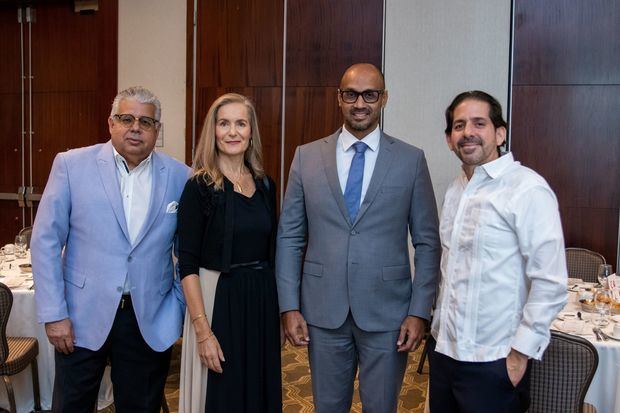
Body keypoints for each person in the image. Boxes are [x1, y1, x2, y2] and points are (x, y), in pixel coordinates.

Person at [276, 63, 441, 413]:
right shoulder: (306, 157)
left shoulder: (411, 160)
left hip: (390, 315)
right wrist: (289, 305)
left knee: (381, 407)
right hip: (323, 311)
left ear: (384, 99)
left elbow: (427, 242)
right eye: (351, 94)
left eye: (370, 94)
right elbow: (290, 236)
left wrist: (419, 311)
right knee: (328, 407)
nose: (360, 103)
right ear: (339, 98)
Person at [31, 86, 190, 413]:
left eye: (146, 122)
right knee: (71, 406)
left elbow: (188, 253)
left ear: (156, 131)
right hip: (78, 318)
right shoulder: (71, 165)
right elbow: (45, 241)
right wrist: (54, 314)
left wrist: (175, 309)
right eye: (126, 118)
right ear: (111, 123)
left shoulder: (181, 176)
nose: (136, 127)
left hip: (147, 320)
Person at [428, 90, 567, 413]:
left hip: (493, 362)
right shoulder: (455, 189)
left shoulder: (527, 189)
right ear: (449, 139)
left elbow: (551, 282)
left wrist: (520, 355)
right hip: (445, 354)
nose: (468, 132)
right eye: (459, 126)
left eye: (479, 123)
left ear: (499, 133)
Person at [177, 93, 281, 413]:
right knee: (223, 396)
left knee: (258, 391)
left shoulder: (265, 185)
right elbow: (188, 265)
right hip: (217, 301)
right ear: (214, 131)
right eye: (224, 124)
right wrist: (202, 331)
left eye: (240, 123)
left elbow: (272, 251)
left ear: (251, 132)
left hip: (260, 301)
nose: (232, 131)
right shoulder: (199, 187)